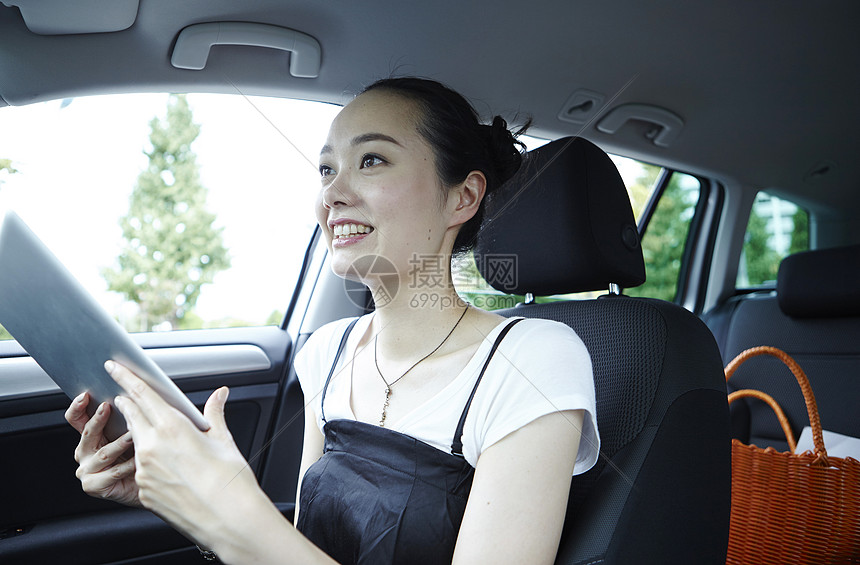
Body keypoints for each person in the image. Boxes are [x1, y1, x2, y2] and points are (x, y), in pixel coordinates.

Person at [65, 77, 600, 565]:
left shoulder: (534, 359)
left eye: (372, 161)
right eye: (327, 169)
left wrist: (227, 506)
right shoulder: (327, 351)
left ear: (462, 196)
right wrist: (186, 501)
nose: (332, 194)